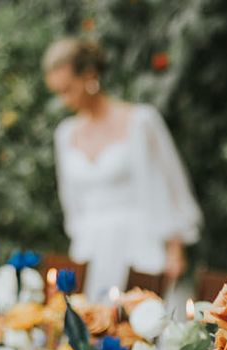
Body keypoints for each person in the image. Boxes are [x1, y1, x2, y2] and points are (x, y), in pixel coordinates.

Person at [43, 37, 202, 302]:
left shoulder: (141, 121)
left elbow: (171, 185)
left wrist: (175, 249)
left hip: (139, 245)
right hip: (89, 250)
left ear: (89, 76)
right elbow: (71, 203)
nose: (64, 100)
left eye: (68, 89)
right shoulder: (65, 134)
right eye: (58, 92)